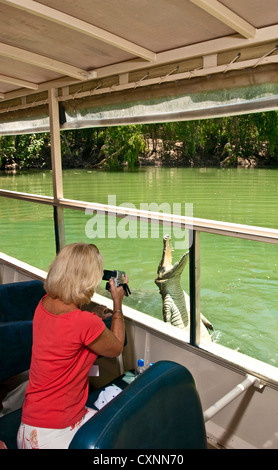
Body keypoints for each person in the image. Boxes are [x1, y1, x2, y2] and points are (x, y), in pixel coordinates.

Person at [17, 243, 127, 449]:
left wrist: (93, 317)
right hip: (54, 435)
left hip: (29, 428)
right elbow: (117, 347)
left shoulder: (43, 304)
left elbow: (64, 334)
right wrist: (117, 304)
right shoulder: (85, 323)